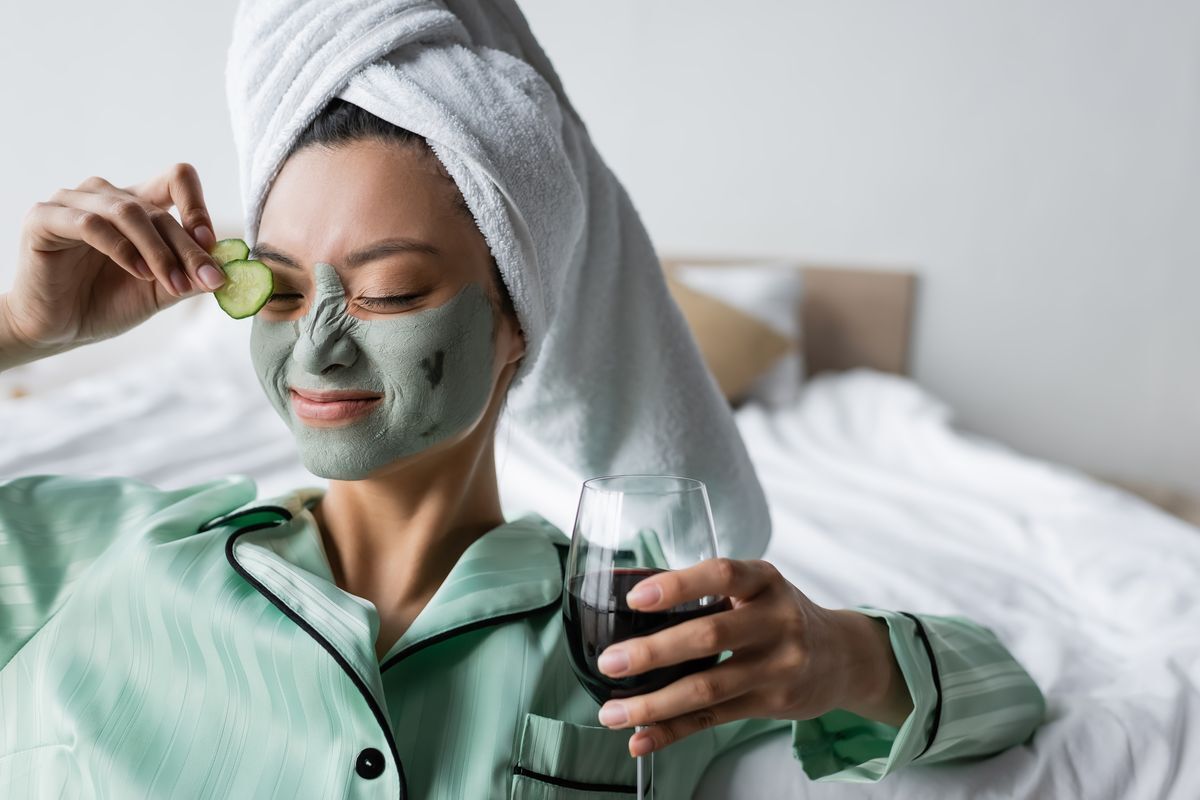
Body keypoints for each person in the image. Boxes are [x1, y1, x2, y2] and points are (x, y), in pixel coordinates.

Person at [0, 98, 1044, 799]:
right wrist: (17, 327)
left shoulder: (637, 638)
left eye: (391, 289)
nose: (317, 342)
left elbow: (1006, 690)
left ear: (517, 324)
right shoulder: (92, 551)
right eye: (276, 283)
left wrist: (839, 651)